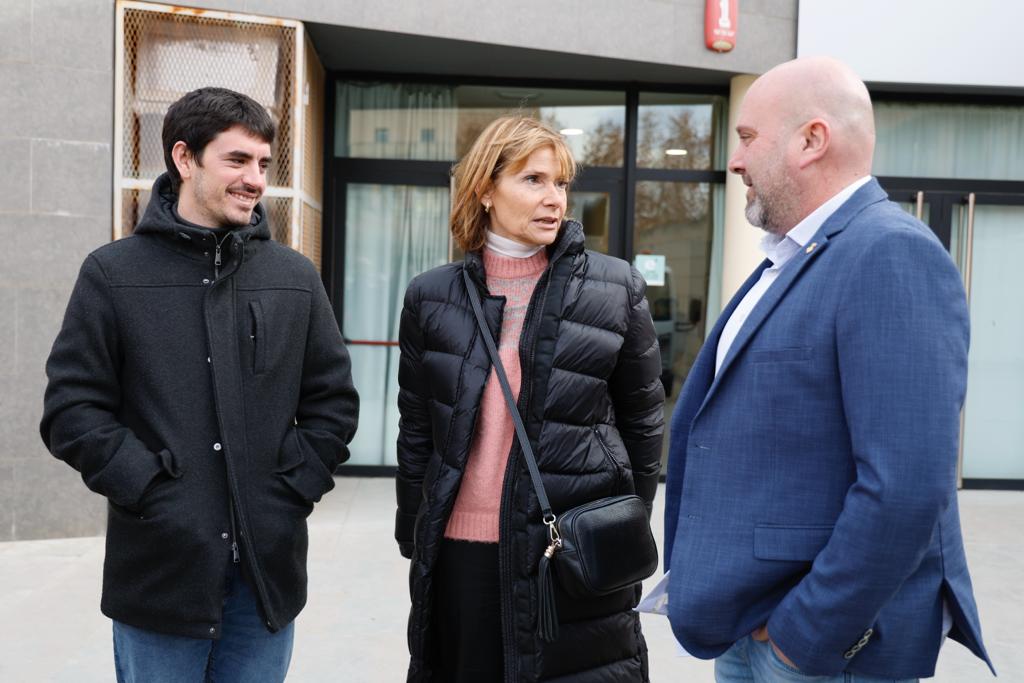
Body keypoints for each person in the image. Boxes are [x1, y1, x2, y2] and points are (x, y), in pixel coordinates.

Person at [662, 56, 994, 682]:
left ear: (812, 140)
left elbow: (905, 488)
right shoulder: (791, 260)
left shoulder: (889, 254)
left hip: (819, 651)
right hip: (750, 627)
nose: (736, 161)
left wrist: (802, 636)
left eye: (748, 138)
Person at [40, 87, 359, 683]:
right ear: (184, 159)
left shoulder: (294, 277)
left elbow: (333, 404)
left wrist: (292, 492)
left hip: (266, 578)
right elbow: (72, 410)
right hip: (161, 575)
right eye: (237, 160)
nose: (256, 179)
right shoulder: (112, 274)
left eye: (263, 163)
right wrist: (152, 492)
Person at [394, 116, 665, 682]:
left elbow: (644, 424)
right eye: (533, 180)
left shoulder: (615, 289)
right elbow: (419, 430)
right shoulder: (432, 296)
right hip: (463, 551)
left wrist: (618, 521)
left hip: (567, 552)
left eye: (561, 183)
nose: (554, 199)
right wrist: (415, 532)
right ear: (485, 190)